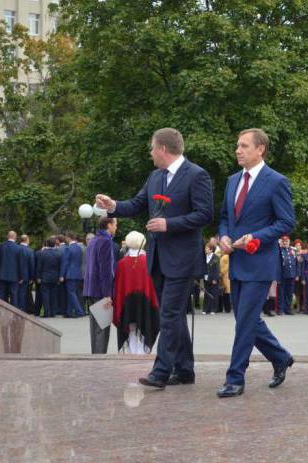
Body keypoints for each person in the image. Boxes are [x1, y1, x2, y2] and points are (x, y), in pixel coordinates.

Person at [97, 127, 213, 388]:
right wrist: (113, 205)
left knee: (169, 314)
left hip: (183, 259)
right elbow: (137, 204)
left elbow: (205, 214)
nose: (150, 153)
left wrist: (168, 224)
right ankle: (185, 370)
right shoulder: (154, 177)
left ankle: (161, 371)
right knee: (173, 315)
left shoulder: (197, 175)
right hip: (158, 259)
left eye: (152, 148)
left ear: (162, 149)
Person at [216, 128, 295, 398]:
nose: (238, 150)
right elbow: (225, 216)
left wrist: (256, 237)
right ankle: (280, 356)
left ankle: (235, 377)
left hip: (259, 262)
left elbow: (286, 222)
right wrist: (224, 235)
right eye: (237, 145)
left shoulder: (276, 181)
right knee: (246, 319)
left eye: (244, 146)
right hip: (236, 260)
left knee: (246, 320)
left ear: (260, 149)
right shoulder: (232, 180)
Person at [113, 231, 160, 354]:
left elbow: (118, 287)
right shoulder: (149, 261)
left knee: (131, 330)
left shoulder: (121, 264)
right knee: (146, 326)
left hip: (127, 302)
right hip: (146, 300)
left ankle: (133, 352)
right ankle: (143, 352)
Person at [84, 218, 117, 353]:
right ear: (109, 225)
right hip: (101, 291)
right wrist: (107, 294)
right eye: (115, 225)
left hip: (91, 289)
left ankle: (95, 357)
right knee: (102, 329)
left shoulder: (93, 241)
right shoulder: (105, 241)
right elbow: (105, 270)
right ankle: (99, 360)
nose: (116, 227)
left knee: (95, 328)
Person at [0, 231, 22, 306]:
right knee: (14, 295)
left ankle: (0, 312)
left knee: (1, 295)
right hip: (14, 275)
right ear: (15, 237)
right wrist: (21, 276)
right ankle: (13, 313)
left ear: (7, 236)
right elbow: (20, 264)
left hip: (1, 275)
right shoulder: (19, 248)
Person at [60, 232, 85, 318]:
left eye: (66, 238)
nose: (65, 239)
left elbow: (65, 262)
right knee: (72, 292)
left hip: (70, 273)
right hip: (78, 273)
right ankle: (69, 311)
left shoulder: (68, 248)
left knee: (71, 293)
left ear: (69, 238)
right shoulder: (79, 248)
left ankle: (79, 311)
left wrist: (61, 275)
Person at [36, 237, 62, 318]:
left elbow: (39, 267)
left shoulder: (42, 253)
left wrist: (38, 277)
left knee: (45, 295)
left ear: (46, 244)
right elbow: (60, 267)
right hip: (55, 277)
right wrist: (59, 277)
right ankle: (53, 312)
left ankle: (47, 312)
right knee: (54, 295)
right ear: (55, 244)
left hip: (45, 277)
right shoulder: (58, 254)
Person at [277, 235, 298, 315]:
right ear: (281, 242)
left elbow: (296, 263)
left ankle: (288, 309)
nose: (285, 242)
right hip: (282, 275)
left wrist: (297, 274)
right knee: (281, 293)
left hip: (291, 274)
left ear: (289, 242)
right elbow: (277, 264)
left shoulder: (292, 250)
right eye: (284, 241)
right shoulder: (279, 251)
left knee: (289, 293)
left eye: (287, 241)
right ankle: (280, 309)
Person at [18, 235, 36, 313]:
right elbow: (32, 265)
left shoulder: (16, 249)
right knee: (23, 293)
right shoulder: (29, 251)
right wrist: (32, 277)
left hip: (15, 275)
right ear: (27, 240)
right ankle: (22, 309)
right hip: (26, 276)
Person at [202, 241, 221, 315]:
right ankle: (206, 309)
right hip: (206, 278)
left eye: (207, 248)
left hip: (213, 279)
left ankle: (213, 309)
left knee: (213, 294)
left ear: (211, 249)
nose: (205, 249)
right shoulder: (204, 257)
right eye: (205, 248)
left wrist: (215, 279)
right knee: (206, 293)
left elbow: (217, 269)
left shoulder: (216, 257)